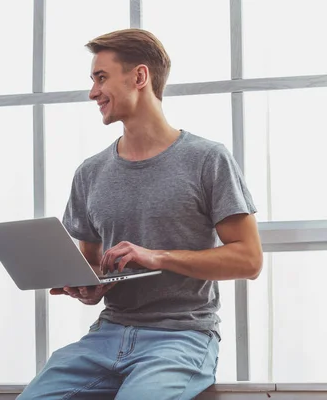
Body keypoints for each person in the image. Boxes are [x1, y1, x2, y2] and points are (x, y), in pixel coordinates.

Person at [18, 29, 263, 400]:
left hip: (181, 337)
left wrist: (157, 257)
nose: (92, 92)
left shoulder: (207, 159)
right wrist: (88, 286)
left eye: (101, 78)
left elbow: (248, 260)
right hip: (106, 335)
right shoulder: (90, 172)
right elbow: (92, 264)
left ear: (140, 77)